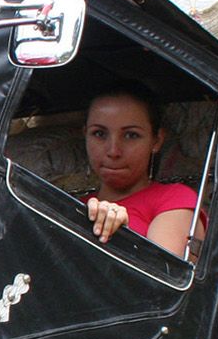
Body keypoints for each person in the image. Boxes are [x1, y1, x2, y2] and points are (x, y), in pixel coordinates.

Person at [81, 85, 202, 257]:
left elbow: (163, 277)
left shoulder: (174, 199)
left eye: (131, 135)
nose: (113, 151)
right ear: (85, 135)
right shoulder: (70, 206)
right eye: (99, 134)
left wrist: (124, 235)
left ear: (156, 140)